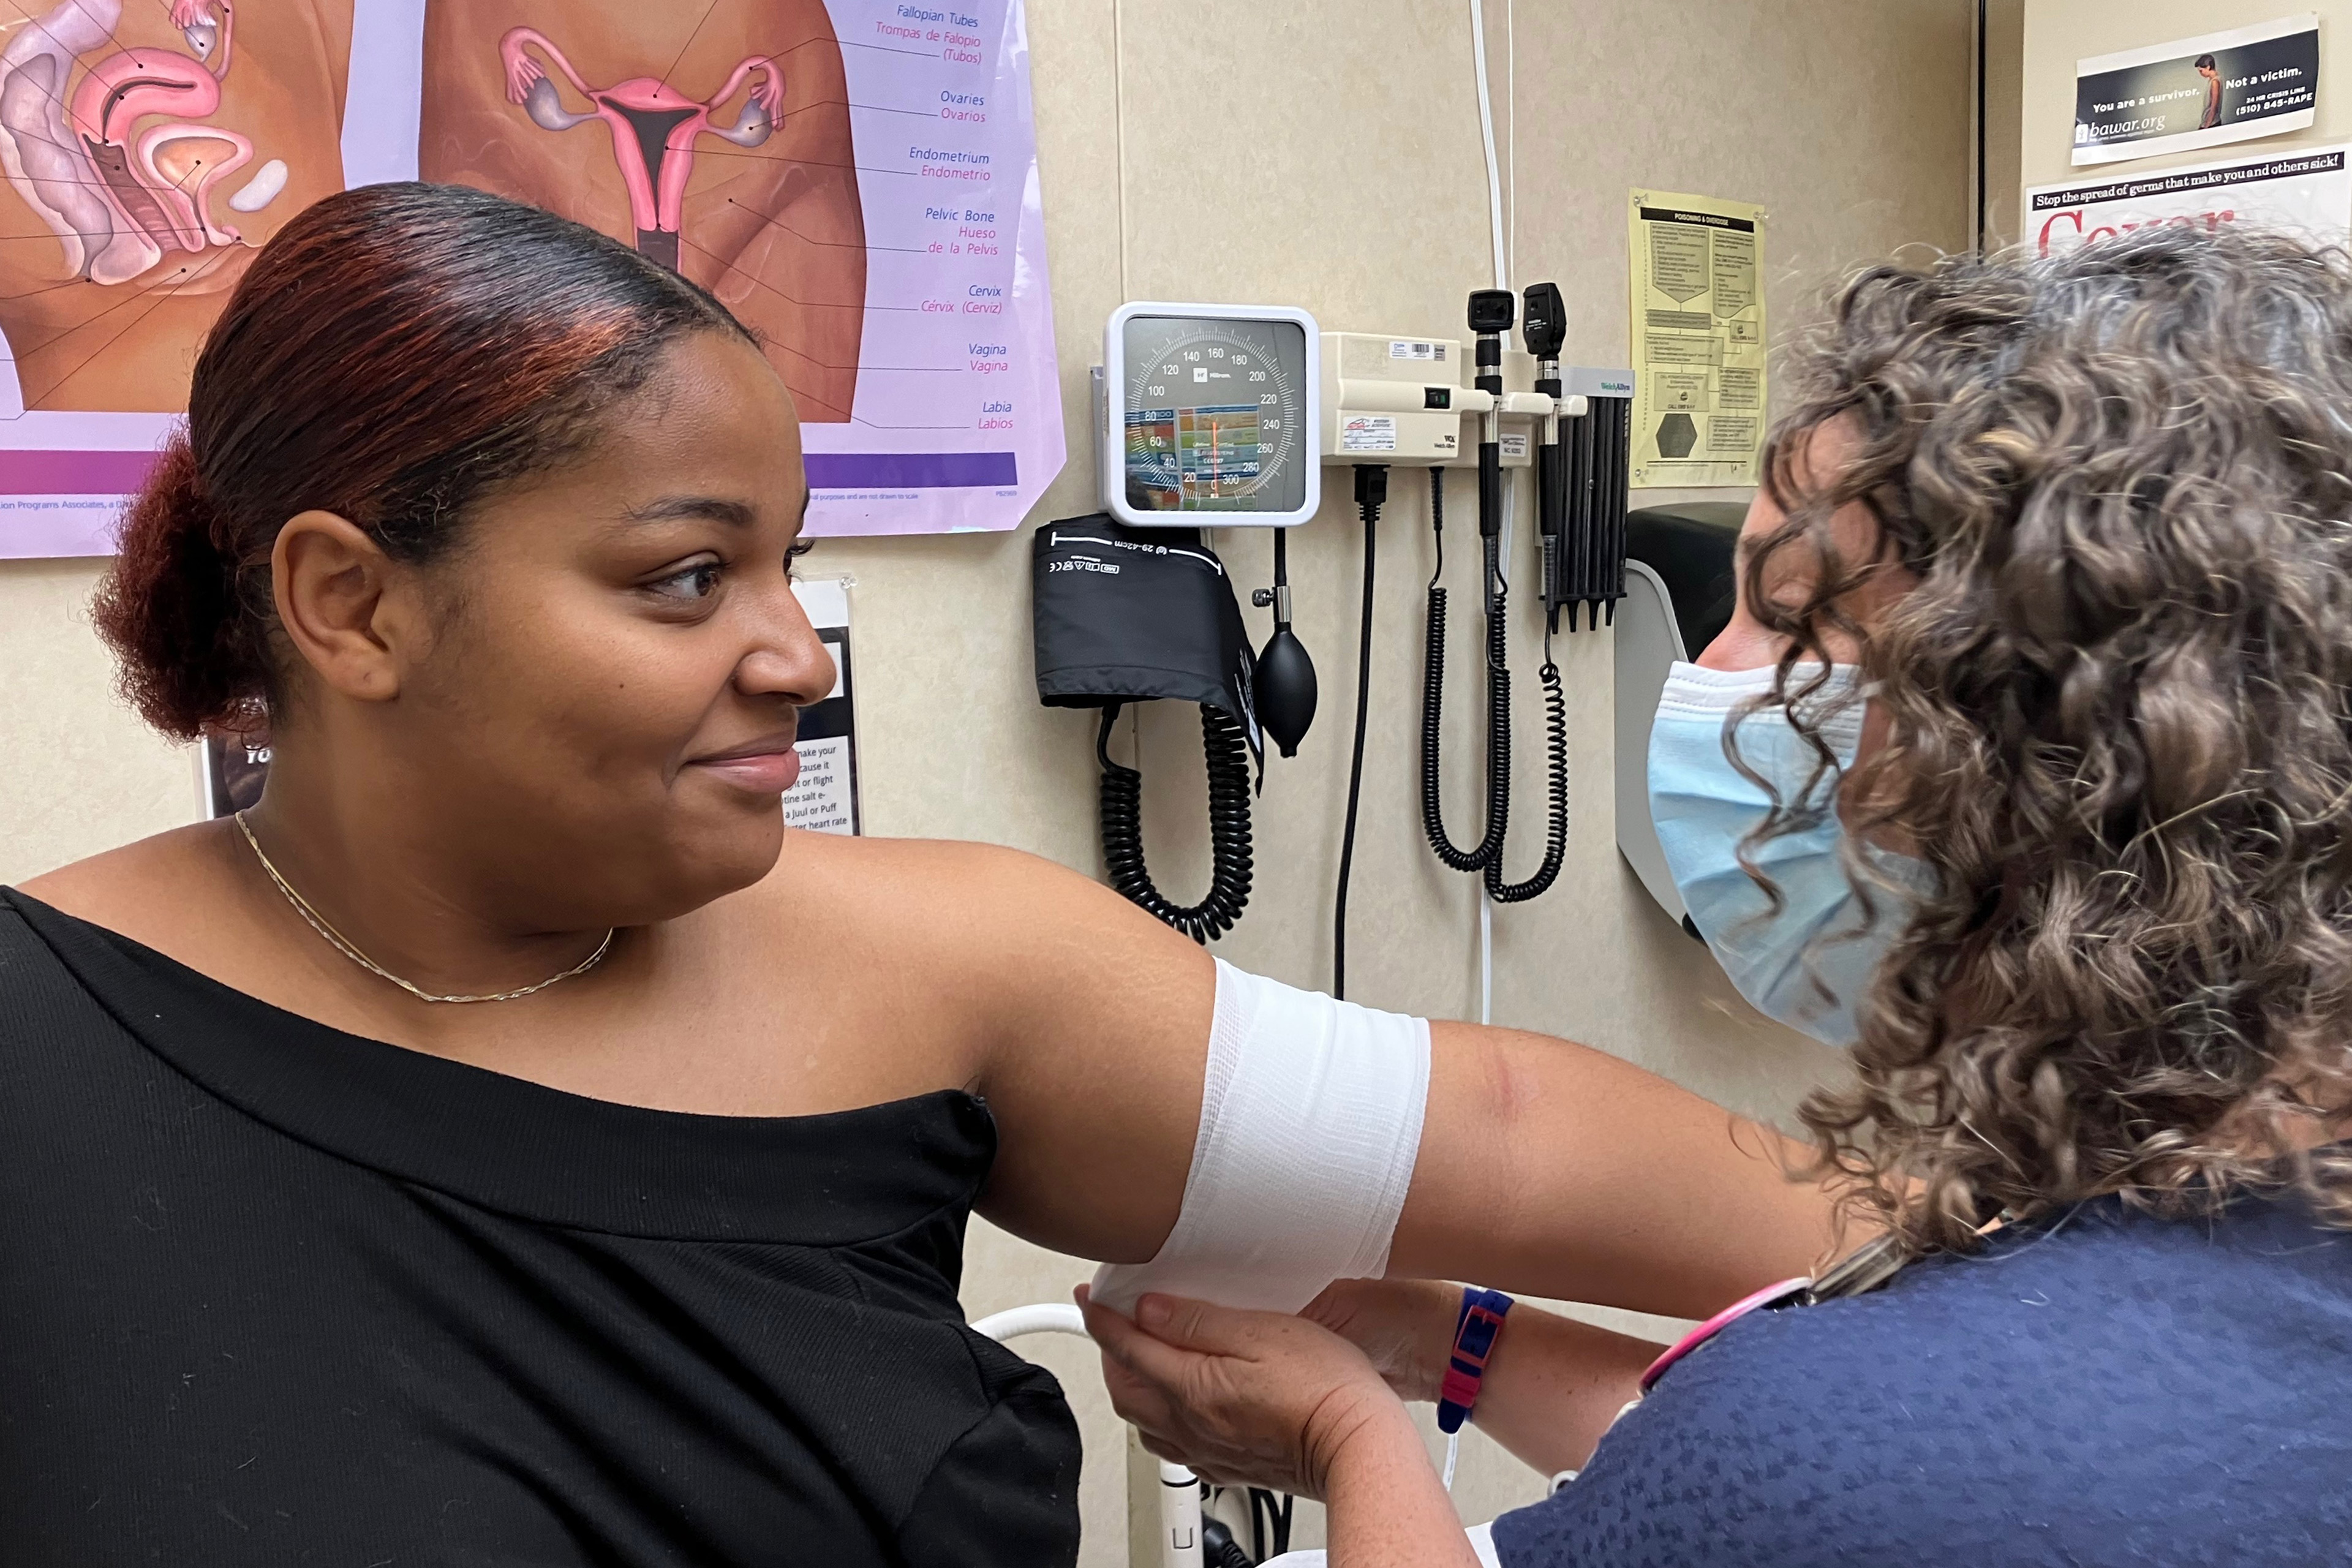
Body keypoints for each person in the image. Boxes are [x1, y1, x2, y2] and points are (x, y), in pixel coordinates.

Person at [2, 181, 1842, 1564]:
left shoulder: (944, 964)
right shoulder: (45, 1050)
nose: (796, 650)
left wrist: (2063, 1248)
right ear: (351, 605)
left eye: (790, 564)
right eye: (682, 577)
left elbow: (1505, 1131)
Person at [1083, 223, 2352, 1565]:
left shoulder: (1864, 1426)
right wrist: (1459, 1340)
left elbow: (1823, 1481)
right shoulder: (2237, 1240)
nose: (1716, 666)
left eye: (1797, 621)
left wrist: (1345, 1438)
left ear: (2055, 738)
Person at [2196, 51, 2223, 130]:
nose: (2201, 74)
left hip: (2212, 123)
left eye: (2201, 71)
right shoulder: (2215, 80)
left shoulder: (2215, 82)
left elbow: (2214, 106)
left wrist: (2206, 126)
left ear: (2208, 67)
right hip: (2210, 122)